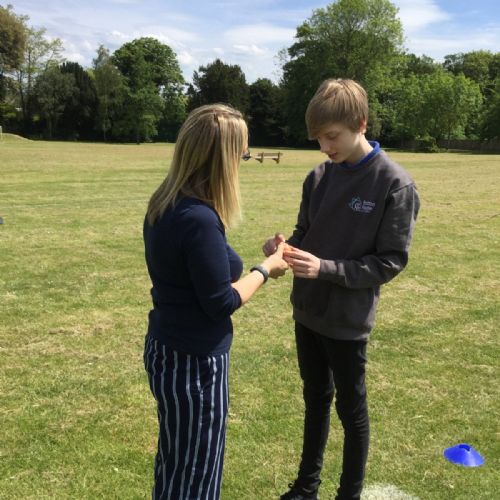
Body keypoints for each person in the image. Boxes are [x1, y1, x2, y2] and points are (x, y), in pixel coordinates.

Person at [263, 79, 420, 500]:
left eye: (331, 136)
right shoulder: (317, 177)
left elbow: (390, 262)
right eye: (318, 138)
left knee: (351, 411)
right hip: (307, 311)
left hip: (347, 321)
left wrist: (325, 268)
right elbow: (305, 232)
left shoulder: (394, 184)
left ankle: (348, 494)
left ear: (361, 123)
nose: (324, 147)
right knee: (315, 399)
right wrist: (283, 250)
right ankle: (306, 487)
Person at [143, 103, 288, 500]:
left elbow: (206, 270)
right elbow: (220, 301)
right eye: (241, 155)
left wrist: (261, 257)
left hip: (169, 349)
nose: (242, 163)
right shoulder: (199, 219)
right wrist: (265, 269)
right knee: (196, 475)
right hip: (195, 363)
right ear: (221, 158)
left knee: (176, 462)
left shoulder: (167, 202)